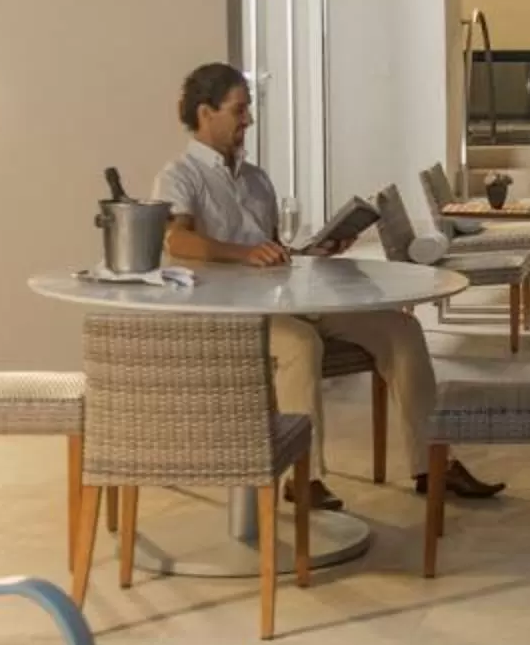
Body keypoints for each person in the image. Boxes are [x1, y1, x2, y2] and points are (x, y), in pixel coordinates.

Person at [156, 63, 501, 503]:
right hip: (231, 315)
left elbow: (274, 251)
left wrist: (316, 251)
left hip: (286, 300)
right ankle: (302, 478)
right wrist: (244, 253)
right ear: (205, 113)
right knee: (300, 345)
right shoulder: (179, 175)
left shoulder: (257, 180)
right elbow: (177, 240)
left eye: (249, 109)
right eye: (239, 110)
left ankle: (432, 465)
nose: (249, 120)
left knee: (402, 330)